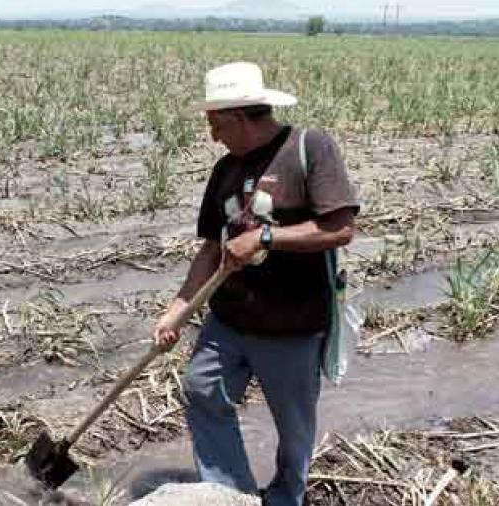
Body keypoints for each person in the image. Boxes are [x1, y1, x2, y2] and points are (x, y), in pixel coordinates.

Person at [153, 62, 358, 506]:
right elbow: (210, 249)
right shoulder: (224, 170)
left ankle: (285, 499)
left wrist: (266, 237)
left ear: (241, 115)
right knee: (201, 389)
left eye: (215, 123)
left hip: (292, 324)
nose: (212, 135)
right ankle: (230, 494)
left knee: (294, 425)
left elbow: (339, 228)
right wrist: (177, 309)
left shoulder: (310, 148)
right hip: (229, 319)